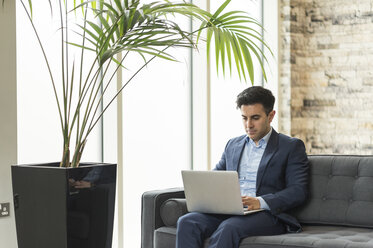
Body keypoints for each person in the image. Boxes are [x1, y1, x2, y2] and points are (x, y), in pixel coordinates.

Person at [176, 86, 309, 248]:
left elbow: (298, 191)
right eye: (244, 118)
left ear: (271, 116)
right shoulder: (233, 145)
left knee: (229, 227)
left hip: (266, 214)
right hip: (231, 210)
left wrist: (259, 202)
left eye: (255, 118)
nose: (249, 125)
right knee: (187, 222)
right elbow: (215, 178)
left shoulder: (290, 146)